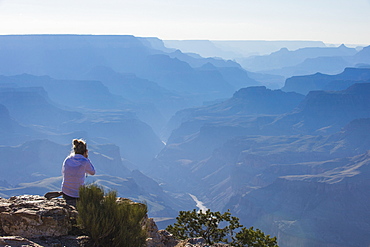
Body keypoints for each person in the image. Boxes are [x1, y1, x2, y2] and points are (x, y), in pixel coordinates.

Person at [61, 139, 95, 206]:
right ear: (86, 151)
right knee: (95, 191)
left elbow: (63, 172)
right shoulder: (84, 161)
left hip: (66, 192)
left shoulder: (67, 159)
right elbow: (92, 172)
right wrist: (86, 158)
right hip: (78, 194)